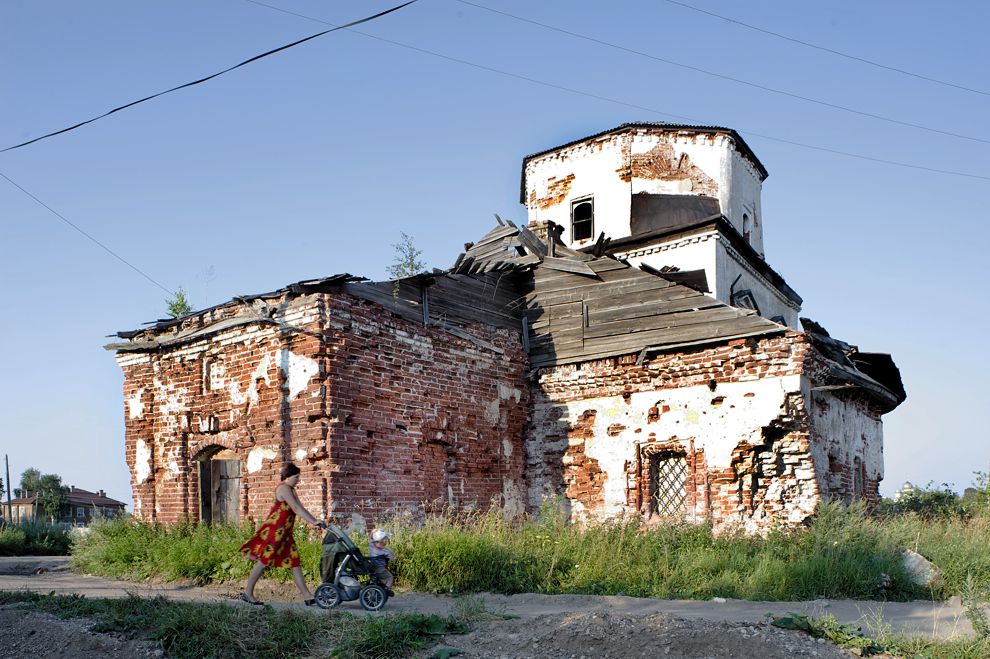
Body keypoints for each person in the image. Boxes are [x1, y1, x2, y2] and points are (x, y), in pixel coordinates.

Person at [239, 463, 325, 606]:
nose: (298, 480)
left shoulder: (291, 489)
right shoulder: (284, 488)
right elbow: (296, 508)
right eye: (296, 477)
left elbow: (301, 508)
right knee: (263, 562)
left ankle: (307, 596)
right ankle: (247, 593)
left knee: (295, 562)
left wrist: (316, 521)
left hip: (285, 534)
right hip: (276, 532)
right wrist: (314, 521)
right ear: (287, 476)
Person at [368, 528, 395, 596]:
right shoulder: (386, 551)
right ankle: (387, 589)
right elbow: (393, 559)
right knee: (389, 577)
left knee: (381, 579)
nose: (387, 540)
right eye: (386, 539)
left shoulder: (371, 545)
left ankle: (380, 591)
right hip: (381, 569)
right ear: (384, 541)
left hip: (372, 568)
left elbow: (370, 538)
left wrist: (373, 531)